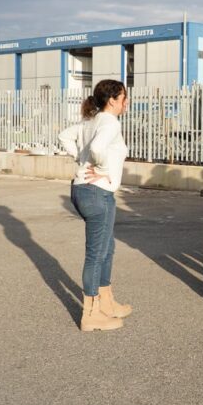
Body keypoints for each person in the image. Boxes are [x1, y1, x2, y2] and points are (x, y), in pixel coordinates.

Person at [59, 79, 131, 332]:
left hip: (88, 190)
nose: (126, 102)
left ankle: (106, 304)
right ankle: (90, 315)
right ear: (112, 100)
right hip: (96, 192)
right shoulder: (109, 121)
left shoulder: (92, 119)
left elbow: (64, 136)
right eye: (124, 97)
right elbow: (99, 148)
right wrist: (100, 168)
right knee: (96, 254)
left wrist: (81, 158)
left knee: (106, 249)